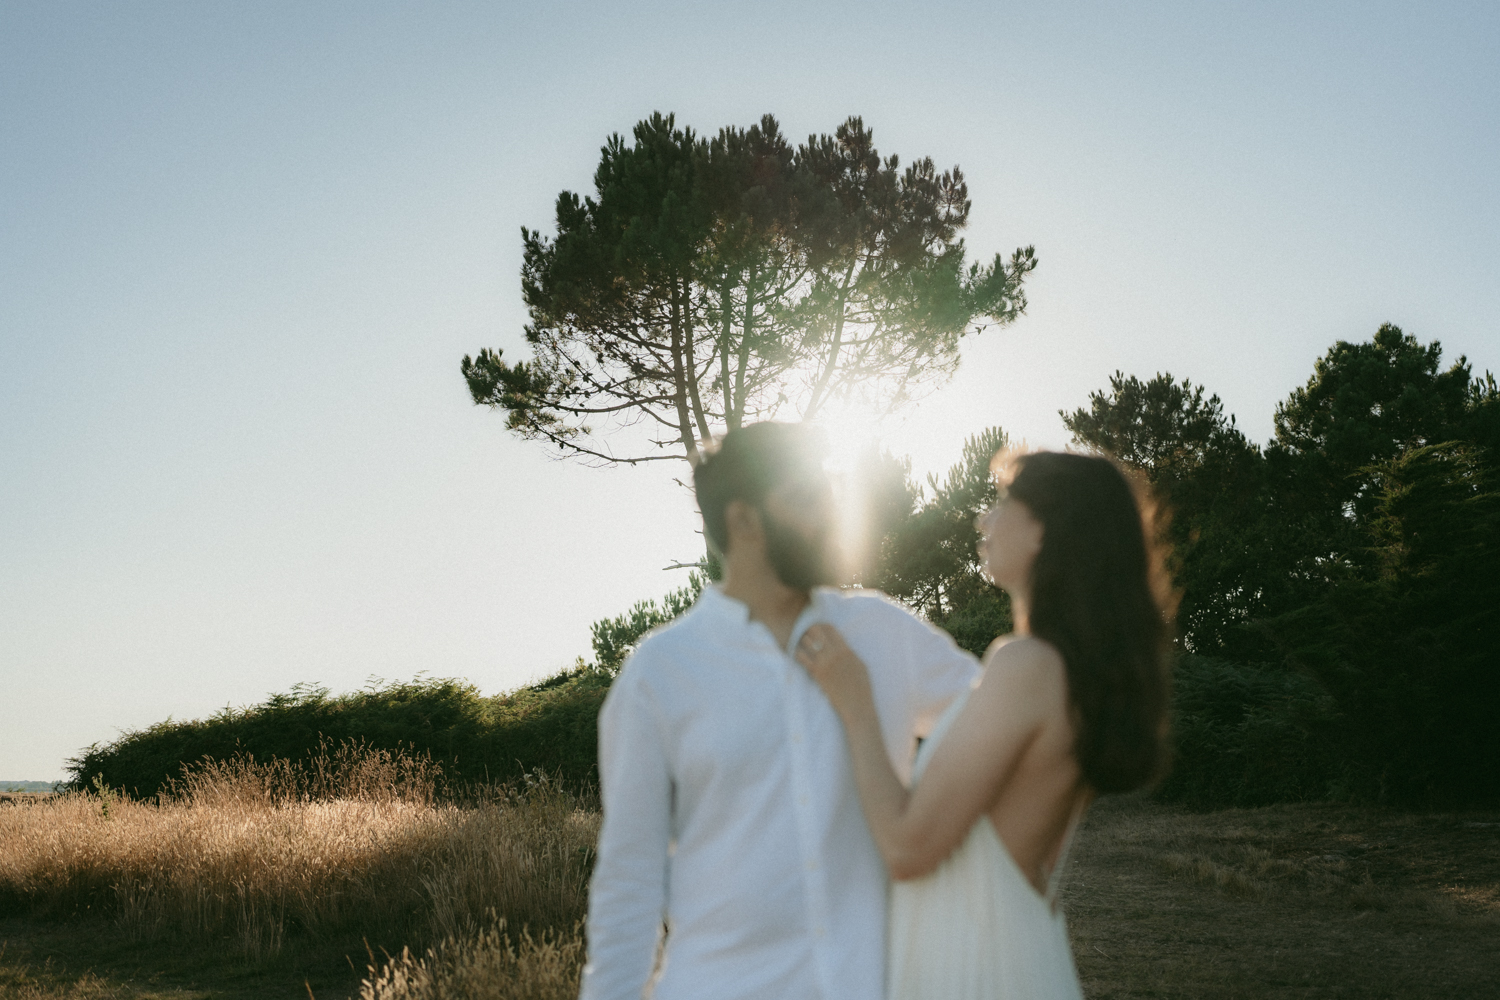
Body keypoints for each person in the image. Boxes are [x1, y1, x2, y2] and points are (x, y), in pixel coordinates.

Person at [579, 422, 980, 1000]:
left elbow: (1006, 728)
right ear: (744, 521)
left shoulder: (883, 632)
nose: (831, 512)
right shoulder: (659, 674)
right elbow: (629, 880)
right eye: (807, 497)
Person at [797, 450, 1173, 1000]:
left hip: (976, 968)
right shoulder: (1073, 675)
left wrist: (854, 699)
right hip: (1017, 955)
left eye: (1001, 502)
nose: (982, 519)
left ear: (1043, 529)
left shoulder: (1026, 665)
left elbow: (907, 848)